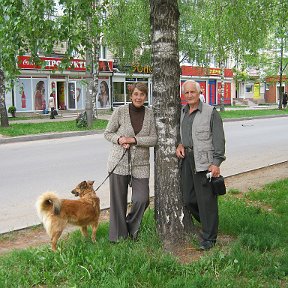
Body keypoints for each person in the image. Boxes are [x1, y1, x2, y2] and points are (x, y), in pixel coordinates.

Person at [104, 82, 157, 242]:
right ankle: (118, 237)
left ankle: (130, 228)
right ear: (131, 96)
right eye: (135, 94)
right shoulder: (120, 112)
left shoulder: (150, 113)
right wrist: (120, 139)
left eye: (141, 94)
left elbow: (154, 139)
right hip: (118, 163)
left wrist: (133, 139)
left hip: (140, 165)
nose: (138, 97)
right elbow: (108, 133)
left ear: (145, 97)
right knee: (118, 202)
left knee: (142, 199)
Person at [176, 80, 226, 251]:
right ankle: (208, 222)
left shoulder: (211, 112)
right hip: (187, 160)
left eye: (192, 92)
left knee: (207, 202)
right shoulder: (183, 111)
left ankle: (209, 238)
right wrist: (181, 145)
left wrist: (216, 163)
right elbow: (186, 135)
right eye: (186, 92)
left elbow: (219, 139)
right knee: (189, 200)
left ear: (199, 93)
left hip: (205, 163)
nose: (189, 95)